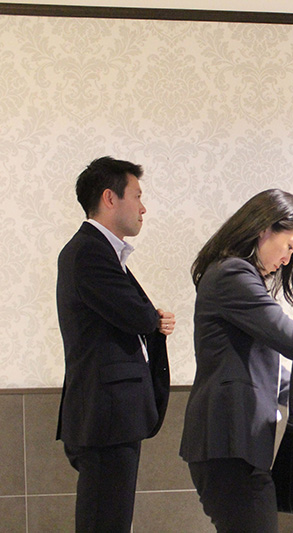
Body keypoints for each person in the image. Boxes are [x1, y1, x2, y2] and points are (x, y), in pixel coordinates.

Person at [179, 189, 293, 533]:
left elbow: (262, 366)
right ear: (264, 228)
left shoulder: (233, 275)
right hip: (227, 444)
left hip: (232, 446)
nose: (288, 259)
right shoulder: (233, 275)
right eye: (290, 246)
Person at [56, 156, 175, 532]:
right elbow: (137, 317)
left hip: (109, 412)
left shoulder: (98, 251)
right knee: (105, 522)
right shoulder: (90, 251)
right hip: (106, 413)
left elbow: (133, 315)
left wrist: (151, 319)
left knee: (109, 519)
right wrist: (153, 317)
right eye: (136, 196)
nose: (143, 208)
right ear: (110, 198)